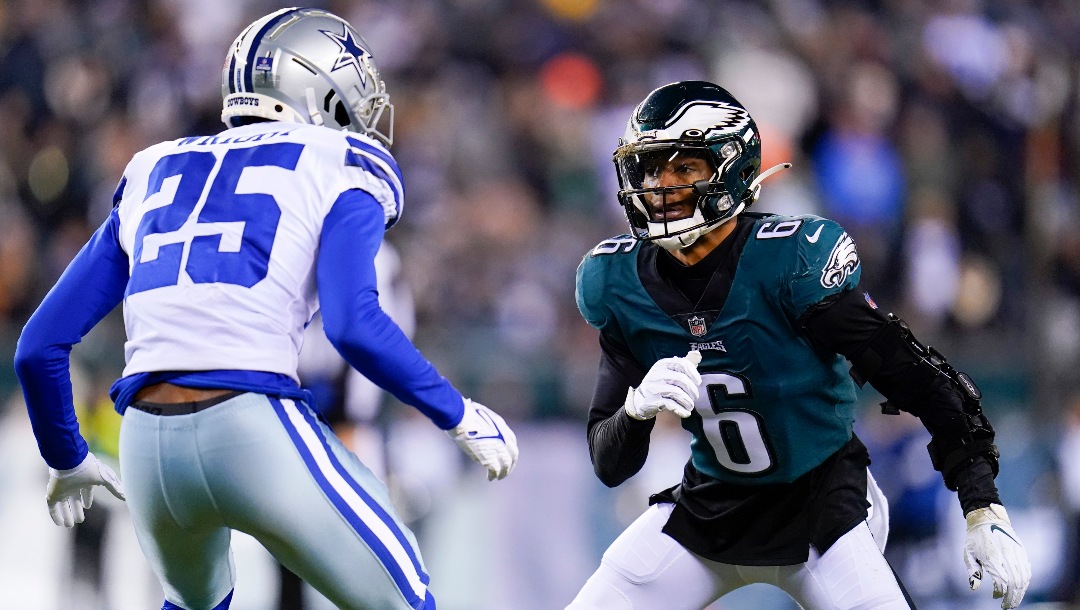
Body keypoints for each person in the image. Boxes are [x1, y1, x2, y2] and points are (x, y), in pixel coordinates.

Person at [13, 8, 518, 610]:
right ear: (316, 85)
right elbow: (355, 326)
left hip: (146, 444)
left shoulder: (153, 166)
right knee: (406, 598)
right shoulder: (337, 163)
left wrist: (67, 458)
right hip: (251, 427)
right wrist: (456, 413)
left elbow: (38, 346)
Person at [566, 81, 1030, 610]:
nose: (661, 186)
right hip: (707, 512)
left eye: (683, 168)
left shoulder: (789, 264)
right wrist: (635, 410)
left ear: (731, 169)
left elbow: (917, 377)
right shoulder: (619, 281)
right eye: (651, 168)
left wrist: (982, 506)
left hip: (821, 515)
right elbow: (610, 464)